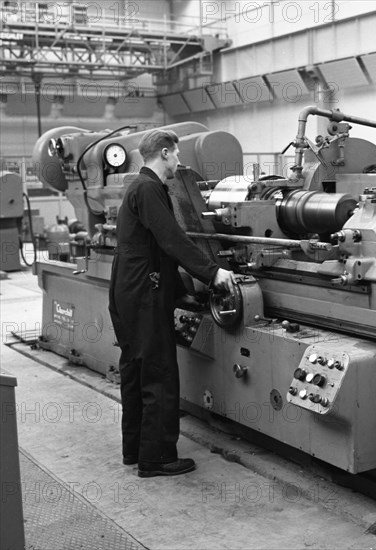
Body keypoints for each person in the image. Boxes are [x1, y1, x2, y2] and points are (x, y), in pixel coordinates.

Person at [109, 129, 234, 478]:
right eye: (176, 154)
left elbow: (154, 248)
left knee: (135, 372)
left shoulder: (138, 187)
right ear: (164, 153)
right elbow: (171, 239)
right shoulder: (149, 188)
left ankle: (134, 450)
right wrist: (213, 274)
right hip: (144, 295)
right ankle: (158, 458)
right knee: (159, 374)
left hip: (129, 291)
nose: (179, 161)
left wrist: (181, 291)